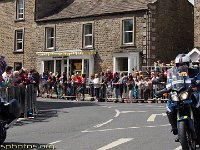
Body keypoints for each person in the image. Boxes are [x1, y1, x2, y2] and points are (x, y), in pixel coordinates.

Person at [166, 54, 199, 142]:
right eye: (180, 65)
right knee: (169, 107)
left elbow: (198, 79)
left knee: (198, 105)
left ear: (189, 64)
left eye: (184, 64)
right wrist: (165, 88)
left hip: (191, 92)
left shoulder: (195, 72)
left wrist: (197, 83)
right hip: (178, 94)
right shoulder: (173, 74)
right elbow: (169, 82)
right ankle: (176, 130)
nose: (182, 66)